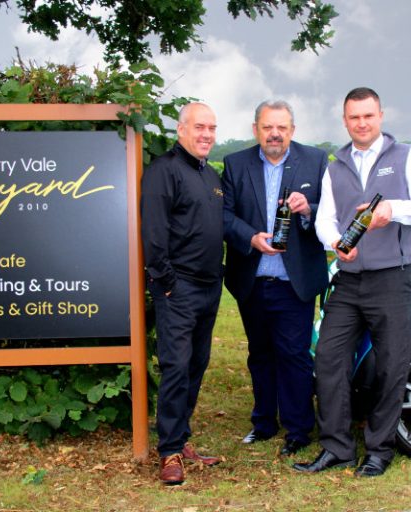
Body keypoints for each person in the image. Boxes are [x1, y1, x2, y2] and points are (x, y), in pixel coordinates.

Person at [293, 87, 411, 477]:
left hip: (395, 278)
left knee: (390, 367)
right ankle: (337, 447)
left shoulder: (407, 157)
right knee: (328, 359)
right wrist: (334, 242)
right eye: (354, 117)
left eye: (368, 116)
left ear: (381, 116)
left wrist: (391, 210)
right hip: (348, 279)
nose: (361, 123)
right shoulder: (336, 165)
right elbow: (326, 217)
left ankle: (379, 450)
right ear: (345, 120)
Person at [222, 100, 329, 456]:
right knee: (260, 355)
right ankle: (264, 423)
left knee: (295, 355)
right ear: (256, 129)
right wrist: (250, 237)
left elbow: (329, 215)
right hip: (252, 280)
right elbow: (224, 216)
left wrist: (307, 210)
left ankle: (299, 430)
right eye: (268, 126)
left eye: (282, 127)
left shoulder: (315, 161)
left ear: (293, 131)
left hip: (294, 282)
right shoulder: (236, 165)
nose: (275, 133)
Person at [141, 102, 225, 485]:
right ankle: (169, 452)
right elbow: (154, 237)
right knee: (176, 367)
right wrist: (170, 283)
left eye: (211, 128)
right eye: (199, 127)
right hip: (179, 289)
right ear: (181, 130)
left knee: (196, 365)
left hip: (209, 288)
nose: (206, 134)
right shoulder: (164, 171)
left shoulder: (209, 174)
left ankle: (182, 438)